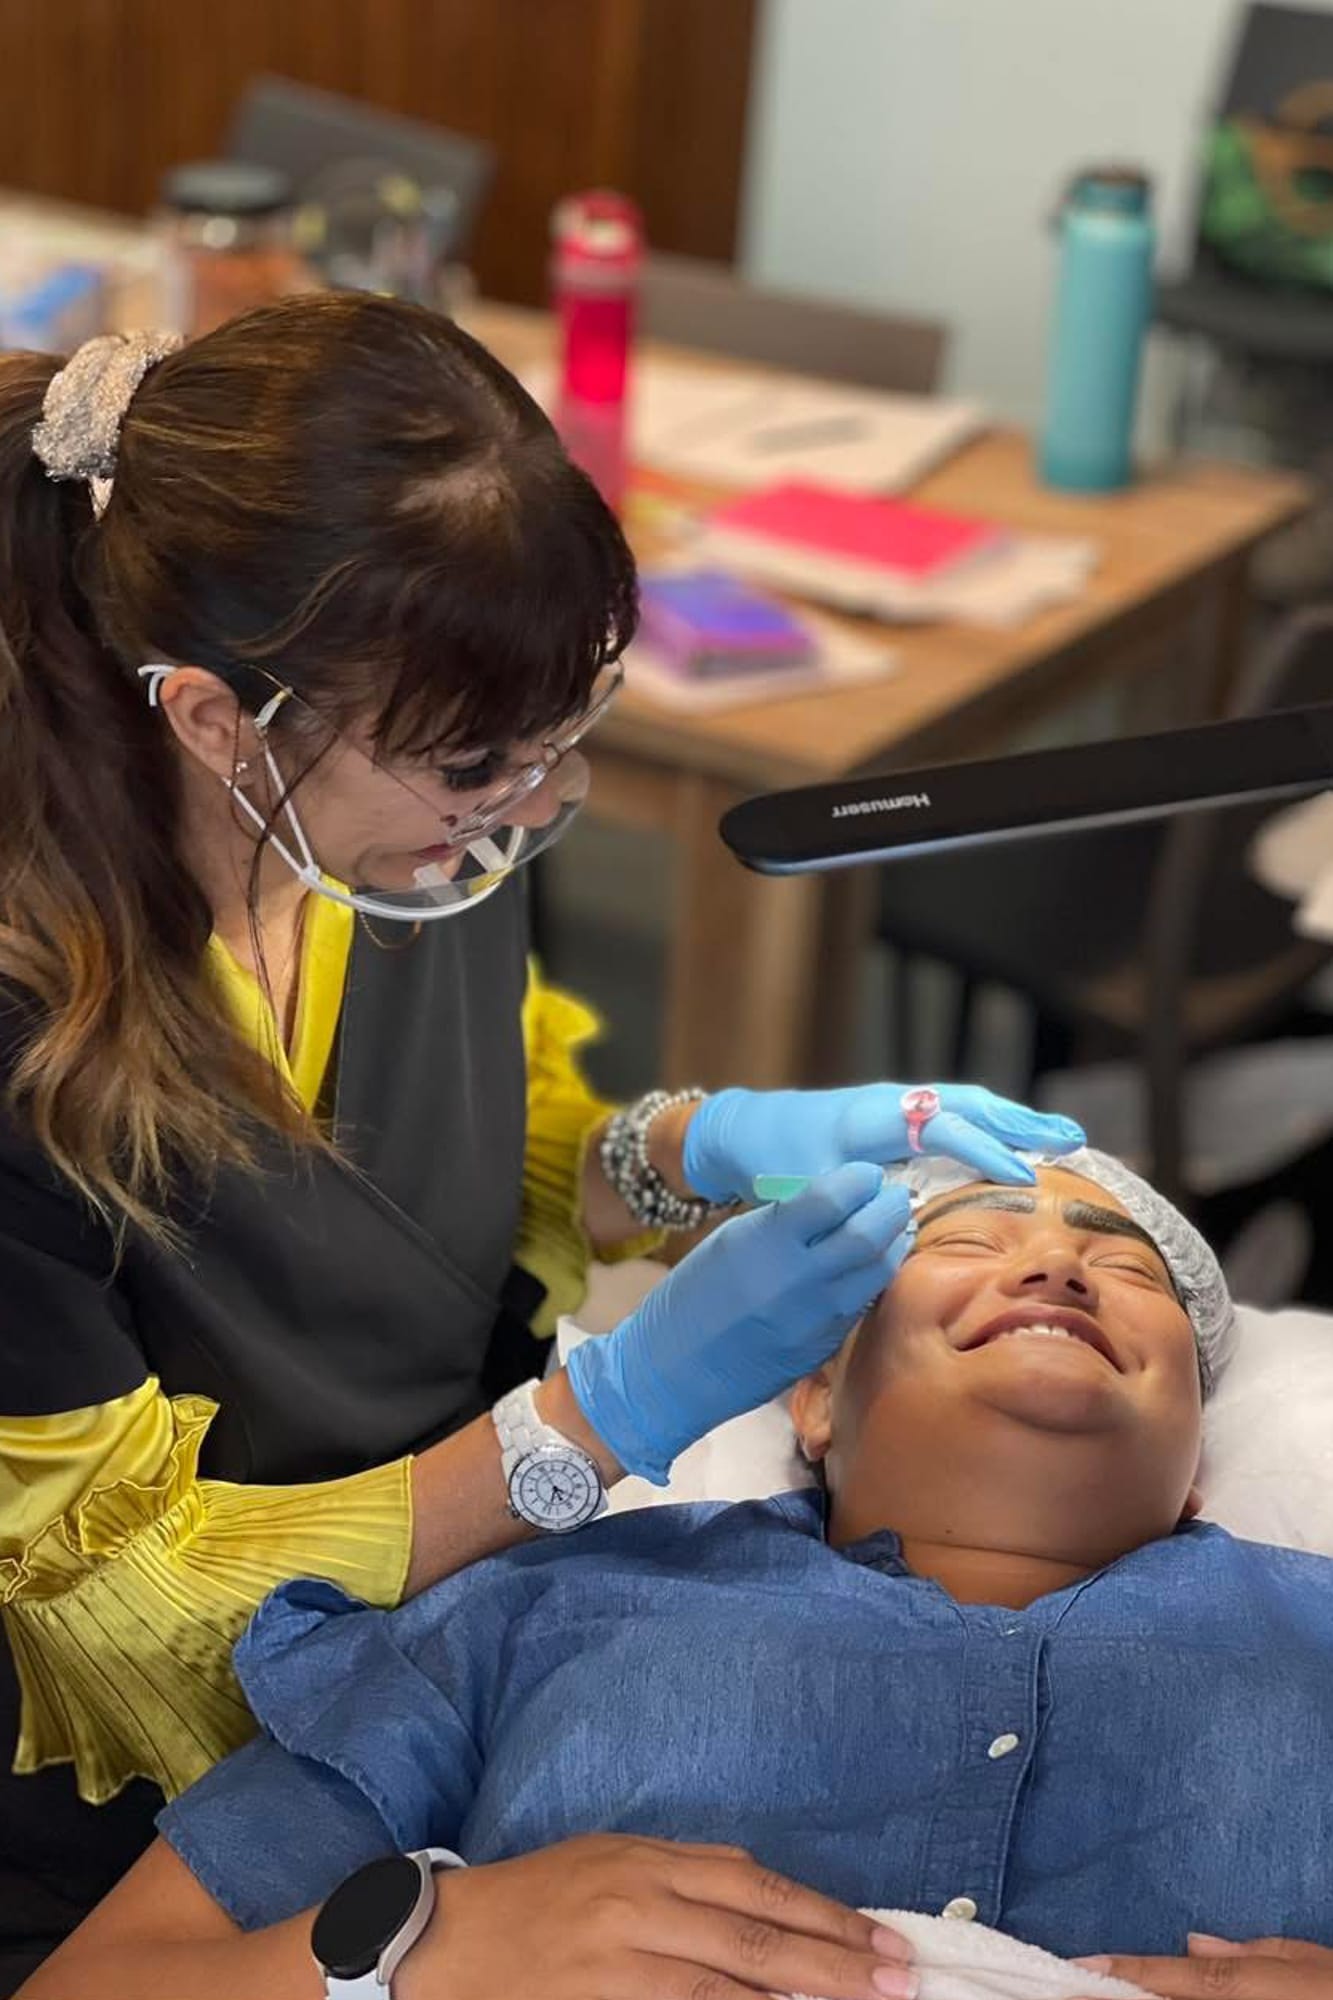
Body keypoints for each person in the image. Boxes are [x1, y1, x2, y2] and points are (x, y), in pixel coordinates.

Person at [0, 291, 1085, 1988]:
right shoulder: (31, 1036)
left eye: (563, 745)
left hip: (448, 1643)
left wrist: (695, 1148)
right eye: (477, 766)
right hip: (142, 1807)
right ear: (219, 722)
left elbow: (479, 1161)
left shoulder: (403, 849)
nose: (521, 812)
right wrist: (598, 1419)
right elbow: (100, 1611)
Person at [21, 1147, 1333, 2000]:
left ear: (1196, 1464)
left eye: (1120, 1268)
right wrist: (419, 1950)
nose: (1053, 1262)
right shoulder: (533, 1611)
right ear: (815, 1398)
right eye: (970, 1245)